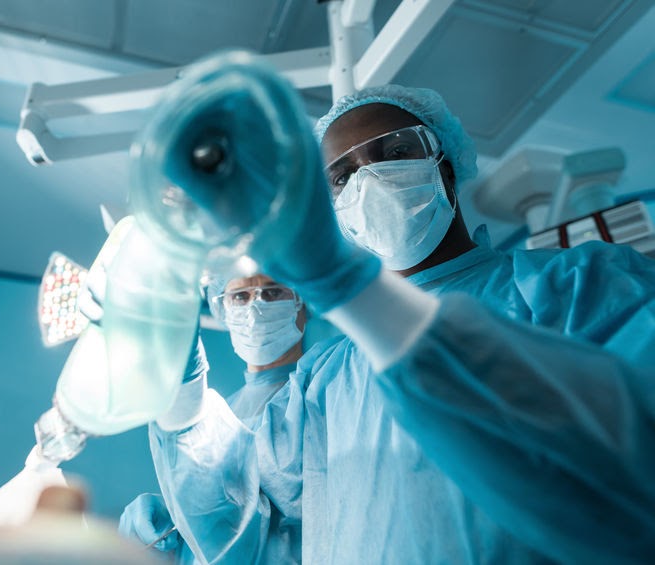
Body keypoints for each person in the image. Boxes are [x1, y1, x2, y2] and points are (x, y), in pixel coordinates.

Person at [144, 81, 655, 564]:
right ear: (336, 210)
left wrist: (357, 294)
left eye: (393, 153)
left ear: (446, 169)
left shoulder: (581, 283)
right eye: (342, 176)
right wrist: (179, 387)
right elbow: (242, 526)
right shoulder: (323, 379)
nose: (368, 178)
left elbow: (629, 466)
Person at [118, 274, 306, 563]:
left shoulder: (322, 392)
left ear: (301, 300)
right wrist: (175, 517)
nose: (255, 307)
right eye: (240, 296)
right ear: (221, 307)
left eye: (272, 292)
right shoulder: (217, 416)